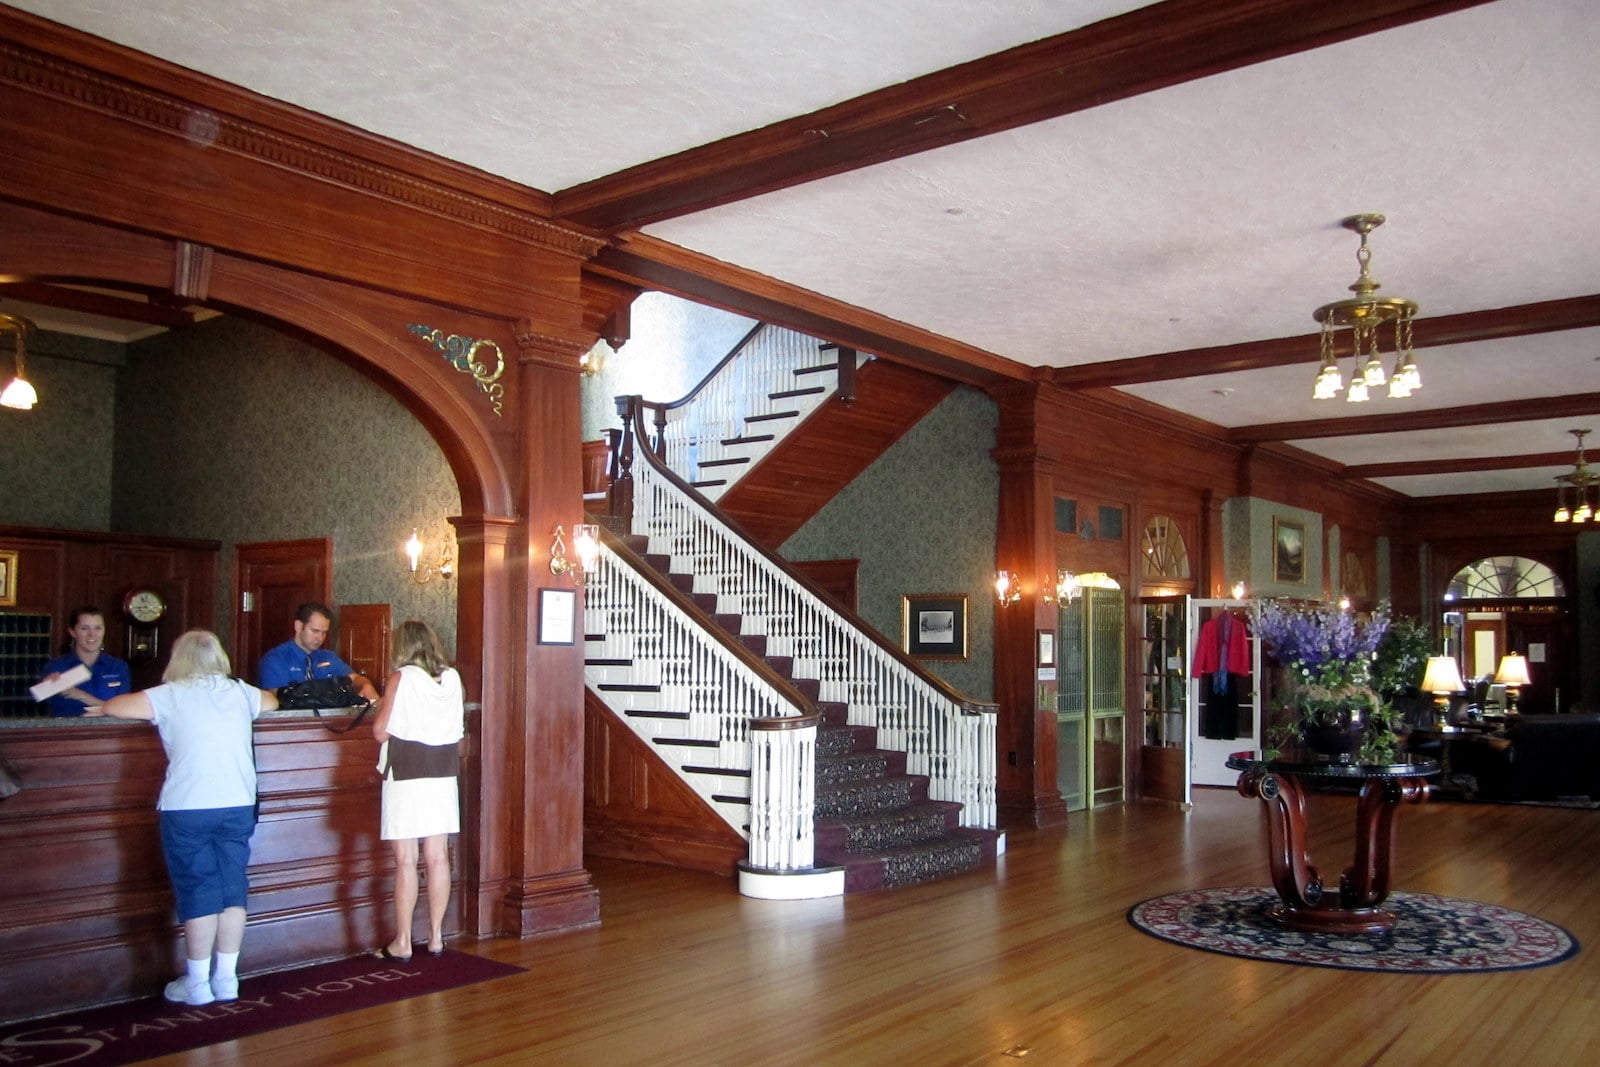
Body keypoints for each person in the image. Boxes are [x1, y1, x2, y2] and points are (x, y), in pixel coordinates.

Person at [89, 630, 278, 1006]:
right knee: (232, 890)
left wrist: (100, 705)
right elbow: (271, 701)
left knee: (199, 892)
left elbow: (116, 707)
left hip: (187, 805)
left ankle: (196, 984)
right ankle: (226, 980)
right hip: (237, 803)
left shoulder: (170, 695)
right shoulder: (240, 692)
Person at [371, 619, 464, 961]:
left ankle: (404, 941)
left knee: (406, 860)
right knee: (439, 857)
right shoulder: (452, 678)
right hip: (442, 772)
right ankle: (437, 937)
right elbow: (457, 729)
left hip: (407, 772)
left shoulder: (402, 677)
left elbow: (381, 732)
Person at [258, 602, 378, 701]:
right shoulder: (276, 659)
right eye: (315, 631)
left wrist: (366, 685)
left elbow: (354, 678)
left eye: (324, 632)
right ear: (299, 626)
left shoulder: (328, 657)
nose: (320, 638)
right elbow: (275, 699)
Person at [37, 606, 132, 717]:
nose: (92, 634)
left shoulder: (118, 667)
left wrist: (82, 696)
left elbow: (123, 710)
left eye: (98, 628)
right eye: (84, 628)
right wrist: (45, 687)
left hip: (109, 732)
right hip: (67, 732)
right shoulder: (56, 667)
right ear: (72, 632)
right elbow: (32, 706)